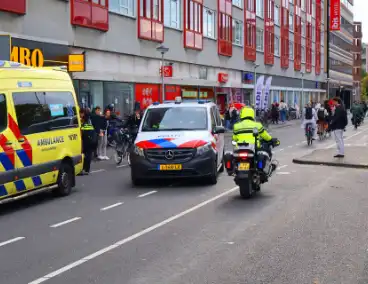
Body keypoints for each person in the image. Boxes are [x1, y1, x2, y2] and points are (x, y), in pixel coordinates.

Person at [232, 107, 278, 176]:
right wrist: (271, 140)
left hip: (240, 148)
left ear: (242, 115)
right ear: (252, 114)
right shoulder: (257, 125)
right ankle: (263, 170)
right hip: (254, 148)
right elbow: (266, 136)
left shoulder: (236, 126)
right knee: (264, 153)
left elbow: (234, 138)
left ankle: (237, 170)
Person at [80, 108, 97, 175]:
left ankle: (85, 169)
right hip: (90, 139)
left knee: (86, 155)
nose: (80, 115)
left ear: (83, 113)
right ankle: (86, 169)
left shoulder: (85, 121)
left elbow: (84, 131)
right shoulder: (89, 119)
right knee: (88, 154)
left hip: (87, 140)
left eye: (80, 113)